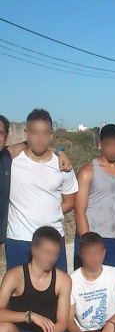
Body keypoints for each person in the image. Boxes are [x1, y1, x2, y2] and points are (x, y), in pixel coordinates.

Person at [0, 227, 77, 332]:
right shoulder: (15, 275)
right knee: (2, 329)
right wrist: (29, 315)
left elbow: (62, 323)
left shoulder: (63, 279)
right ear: (34, 249)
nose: (51, 258)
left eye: (55, 253)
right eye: (46, 252)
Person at [6, 109, 78, 272]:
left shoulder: (63, 166)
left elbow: (70, 201)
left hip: (52, 238)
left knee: (55, 290)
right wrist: (59, 150)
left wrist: (50, 213)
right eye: (34, 133)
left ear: (51, 134)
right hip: (19, 239)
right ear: (26, 133)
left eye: (45, 133)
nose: (39, 139)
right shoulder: (12, 161)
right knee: (18, 293)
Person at [74, 124, 115, 272]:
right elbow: (79, 210)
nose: (112, 150)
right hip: (92, 239)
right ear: (100, 144)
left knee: (114, 288)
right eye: (108, 145)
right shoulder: (87, 172)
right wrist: (87, 245)